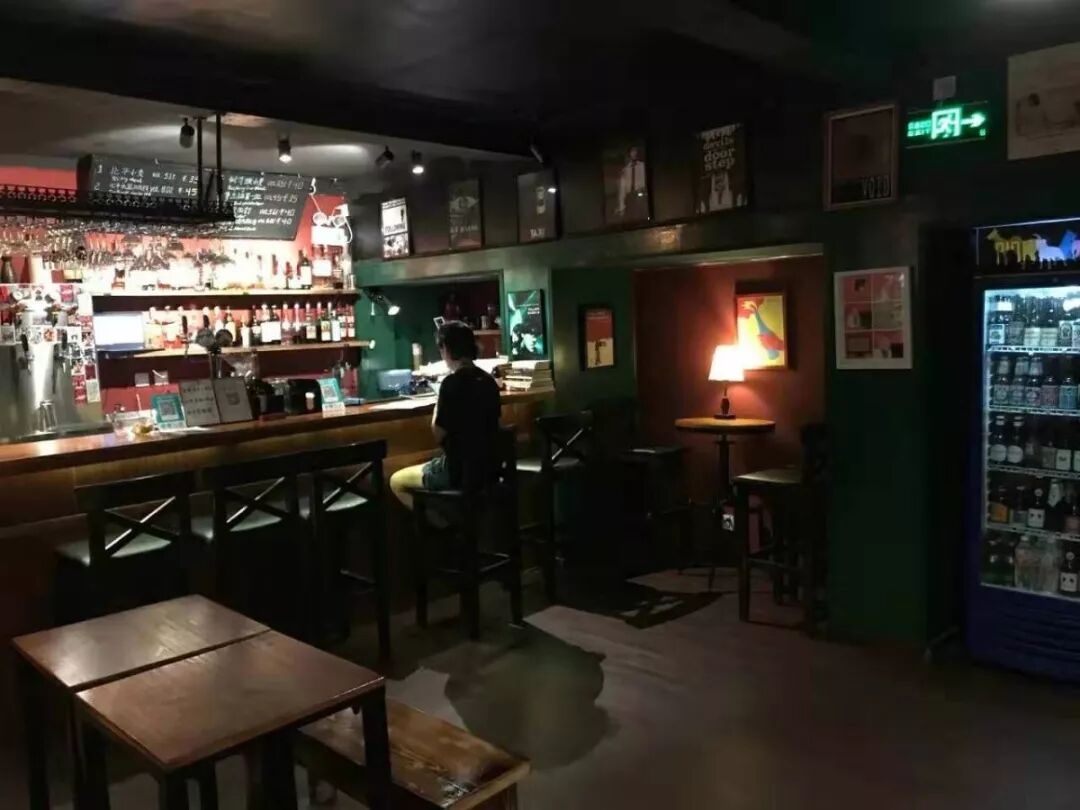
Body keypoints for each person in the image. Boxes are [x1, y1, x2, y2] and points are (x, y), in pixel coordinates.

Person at [390, 321, 501, 510]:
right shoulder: (488, 381)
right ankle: (456, 523)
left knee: (396, 480)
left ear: (446, 349)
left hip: (457, 471)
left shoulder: (451, 383)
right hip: (489, 470)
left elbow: (438, 433)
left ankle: (439, 525)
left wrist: (438, 405)